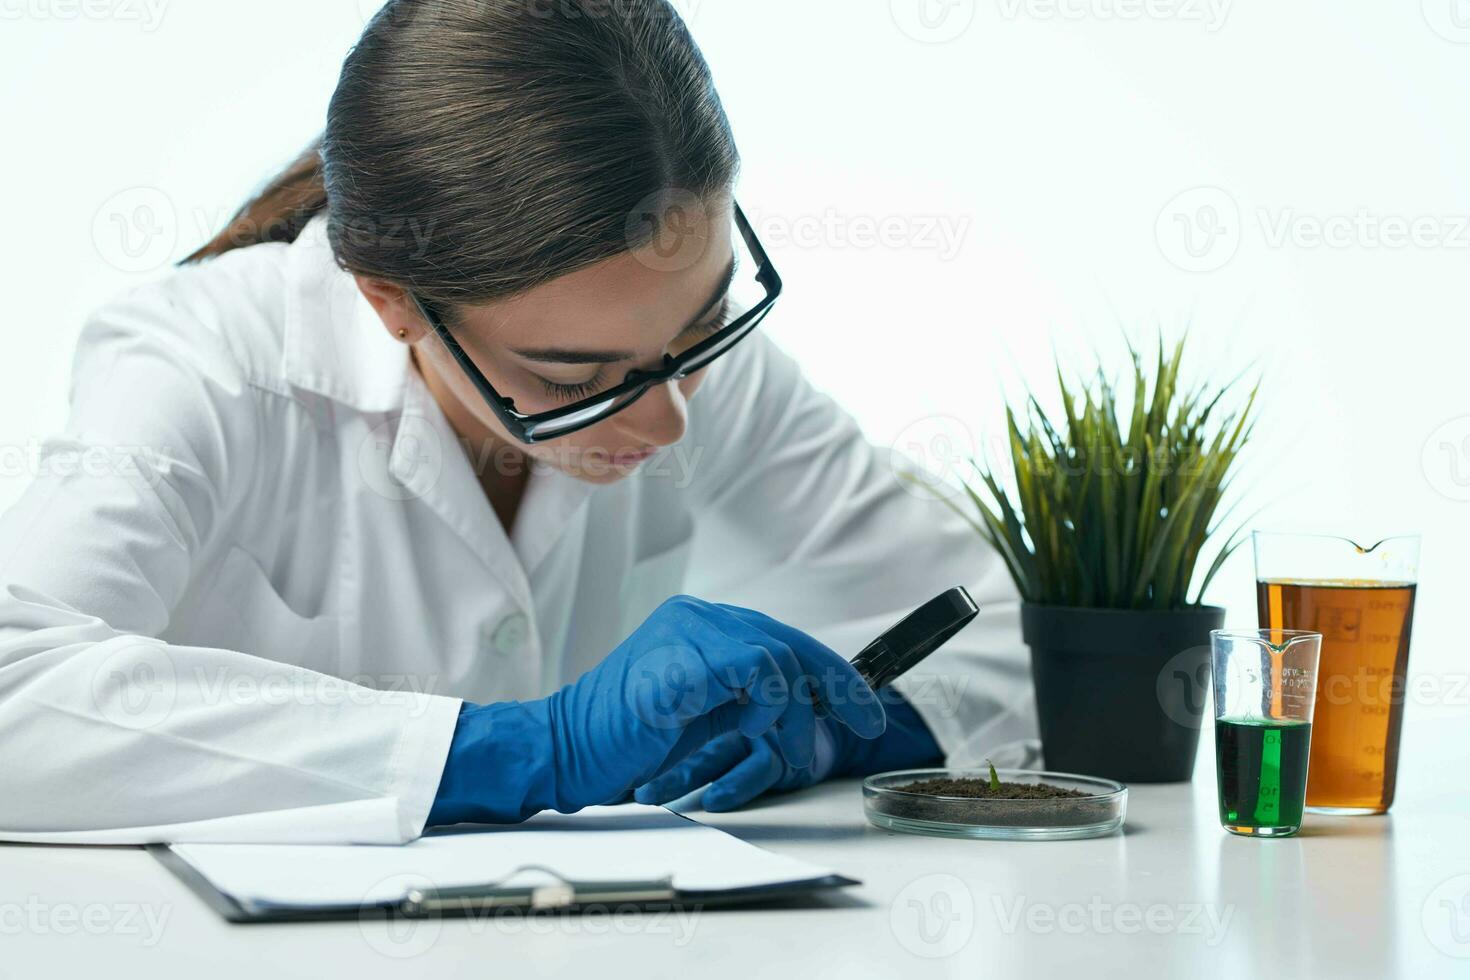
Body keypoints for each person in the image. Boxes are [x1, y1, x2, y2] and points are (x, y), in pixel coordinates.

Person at [0, 0, 1035, 844]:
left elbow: (1003, 635)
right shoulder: (203, 363)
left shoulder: (677, 350)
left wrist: (847, 729)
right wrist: (523, 747)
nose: (669, 419)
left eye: (710, 321)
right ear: (389, 300)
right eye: (571, 374)